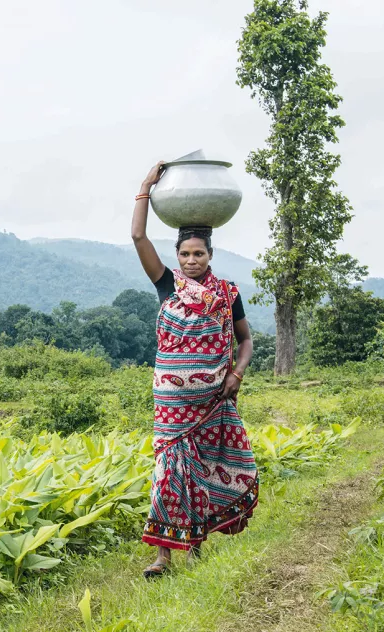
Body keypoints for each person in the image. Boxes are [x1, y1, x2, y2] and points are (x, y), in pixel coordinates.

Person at [131, 161, 258, 579]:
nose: (190, 260)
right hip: (171, 402)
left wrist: (235, 375)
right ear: (176, 257)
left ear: (210, 255)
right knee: (168, 470)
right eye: (184, 254)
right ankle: (163, 556)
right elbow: (138, 235)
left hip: (212, 398)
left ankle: (194, 547)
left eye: (198, 253)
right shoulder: (167, 285)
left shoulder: (227, 294)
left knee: (201, 468)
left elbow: (245, 341)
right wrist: (146, 187)